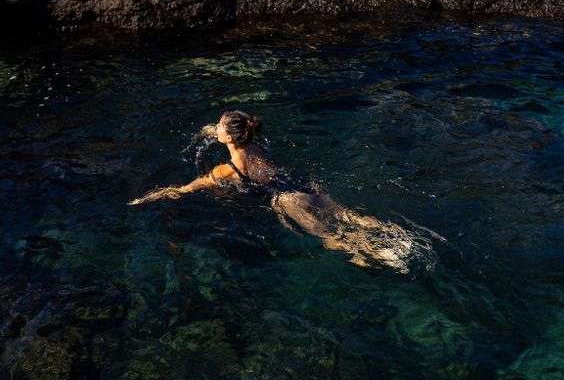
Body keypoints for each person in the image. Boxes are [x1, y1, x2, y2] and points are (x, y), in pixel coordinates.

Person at [129, 109, 416, 270]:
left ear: (229, 137)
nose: (214, 128)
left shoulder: (227, 168)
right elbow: (225, 133)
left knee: (329, 237)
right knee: (348, 215)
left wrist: (148, 197)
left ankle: (372, 256)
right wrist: (214, 130)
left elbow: (186, 189)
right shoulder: (253, 145)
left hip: (287, 201)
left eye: (218, 126)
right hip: (302, 187)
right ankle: (398, 237)